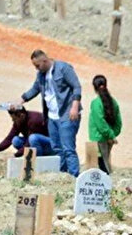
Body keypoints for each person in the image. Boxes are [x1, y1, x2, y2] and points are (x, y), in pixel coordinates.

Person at [17, 49, 83, 177]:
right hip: (52, 117)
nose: (37, 69)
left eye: (37, 65)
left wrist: (74, 107)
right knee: (57, 148)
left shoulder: (63, 68)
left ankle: (74, 176)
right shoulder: (41, 75)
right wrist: (21, 101)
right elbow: (35, 89)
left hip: (67, 114)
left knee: (68, 148)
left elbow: (77, 87)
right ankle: (63, 175)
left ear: (45, 60)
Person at [88, 74, 122, 173]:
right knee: (106, 162)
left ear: (94, 87)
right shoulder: (113, 102)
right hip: (108, 139)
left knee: (95, 171)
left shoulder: (96, 103)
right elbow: (118, 122)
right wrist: (112, 135)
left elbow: (99, 122)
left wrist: (109, 135)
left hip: (96, 138)